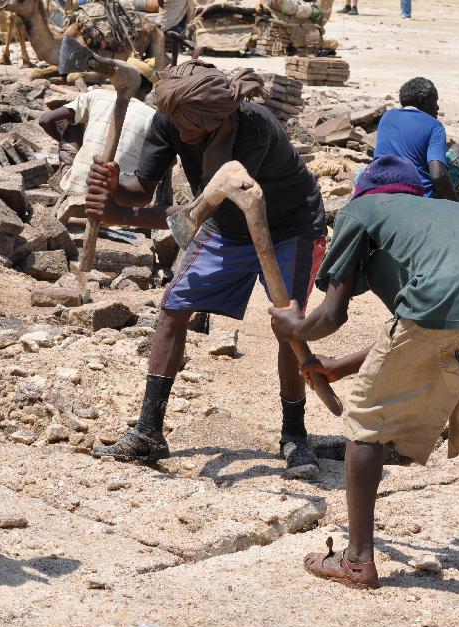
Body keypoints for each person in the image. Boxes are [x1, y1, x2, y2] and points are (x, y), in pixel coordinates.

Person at [269, 156, 459, 592]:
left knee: (364, 428)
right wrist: (339, 367)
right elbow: (419, 327)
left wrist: (293, 327)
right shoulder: (456, 213)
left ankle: (357, 561)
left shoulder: (362, 210)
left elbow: (333, 314)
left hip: (444, 304)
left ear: (364, 191)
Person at [85, 60, 328, 479]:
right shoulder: (173, 119)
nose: (182, 136)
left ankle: (294, 435)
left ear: (217, 121)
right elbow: (142, 191)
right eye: (176, 126)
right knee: (173, 308)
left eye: (191, 130)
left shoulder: (254, 128)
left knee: (288, 326)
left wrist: (119, 216)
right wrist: (114, 189)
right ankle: (149, 431)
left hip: (291, 226)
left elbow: (194, 215)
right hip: (227, 226)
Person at [39, 58, 157, 223]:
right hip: (123, 199)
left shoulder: (95, 95)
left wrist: (65, 142)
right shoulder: (153, 117)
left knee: (73, 121)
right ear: (146, 90)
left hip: (78, 188)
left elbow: (45, 120)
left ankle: (73, 185)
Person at [372, 77, 458, 201]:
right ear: (423, 101)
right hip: (418, 196)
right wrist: (457, 205)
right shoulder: (434, 126)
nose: (437, 108)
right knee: (458, 151)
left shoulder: (387, 117)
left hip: (378, 187)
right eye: (434, 101)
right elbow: (438, 176)